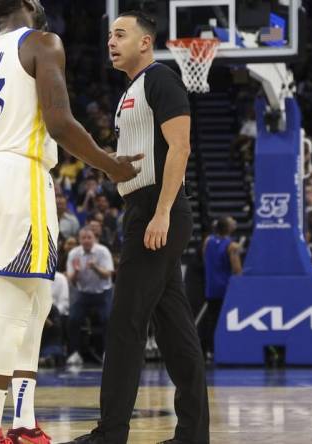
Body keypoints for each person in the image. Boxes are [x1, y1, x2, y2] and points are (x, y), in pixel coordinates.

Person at [0, 1, 139, 441]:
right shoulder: (43, 42)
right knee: (14, 305)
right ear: (31, 3)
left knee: (38, 300)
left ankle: (26, 422)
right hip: (21, 174)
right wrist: (109, 165)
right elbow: (60, 122)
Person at [68, 11, 210, 443]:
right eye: (109, 34)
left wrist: (163, 211)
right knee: (174, 330)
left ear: (145, 42)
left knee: (126, 323)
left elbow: (180, 148)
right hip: (140, 207)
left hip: (157, 210)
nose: (111, 41)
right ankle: (192, 434)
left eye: (120, 34)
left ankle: (110, 433)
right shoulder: (131, 90)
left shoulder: (161, 79)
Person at [65, 227, 113, 366]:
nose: (86, 240)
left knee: (107, 319)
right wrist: (76, 272)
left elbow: (108, 274)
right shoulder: (74, 253)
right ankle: (74, 353)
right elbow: (71, 280)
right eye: (83, 238)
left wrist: (95, 267)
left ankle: (107, 353)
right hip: (84, 293)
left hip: (103, 292)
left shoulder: (102, 251)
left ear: (94, 238)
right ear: (80, 240)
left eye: (89, 237)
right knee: (73, 319)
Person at [201, 217, 241, 358]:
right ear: (229, 228)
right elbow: (237, 270)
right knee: (225, 320)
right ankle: (222, 350)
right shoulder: (232, 246)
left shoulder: (208, 241)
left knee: (211, 319)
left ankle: (209, 350)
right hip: (225, 288)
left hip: (211, 286)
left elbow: (205, 258)